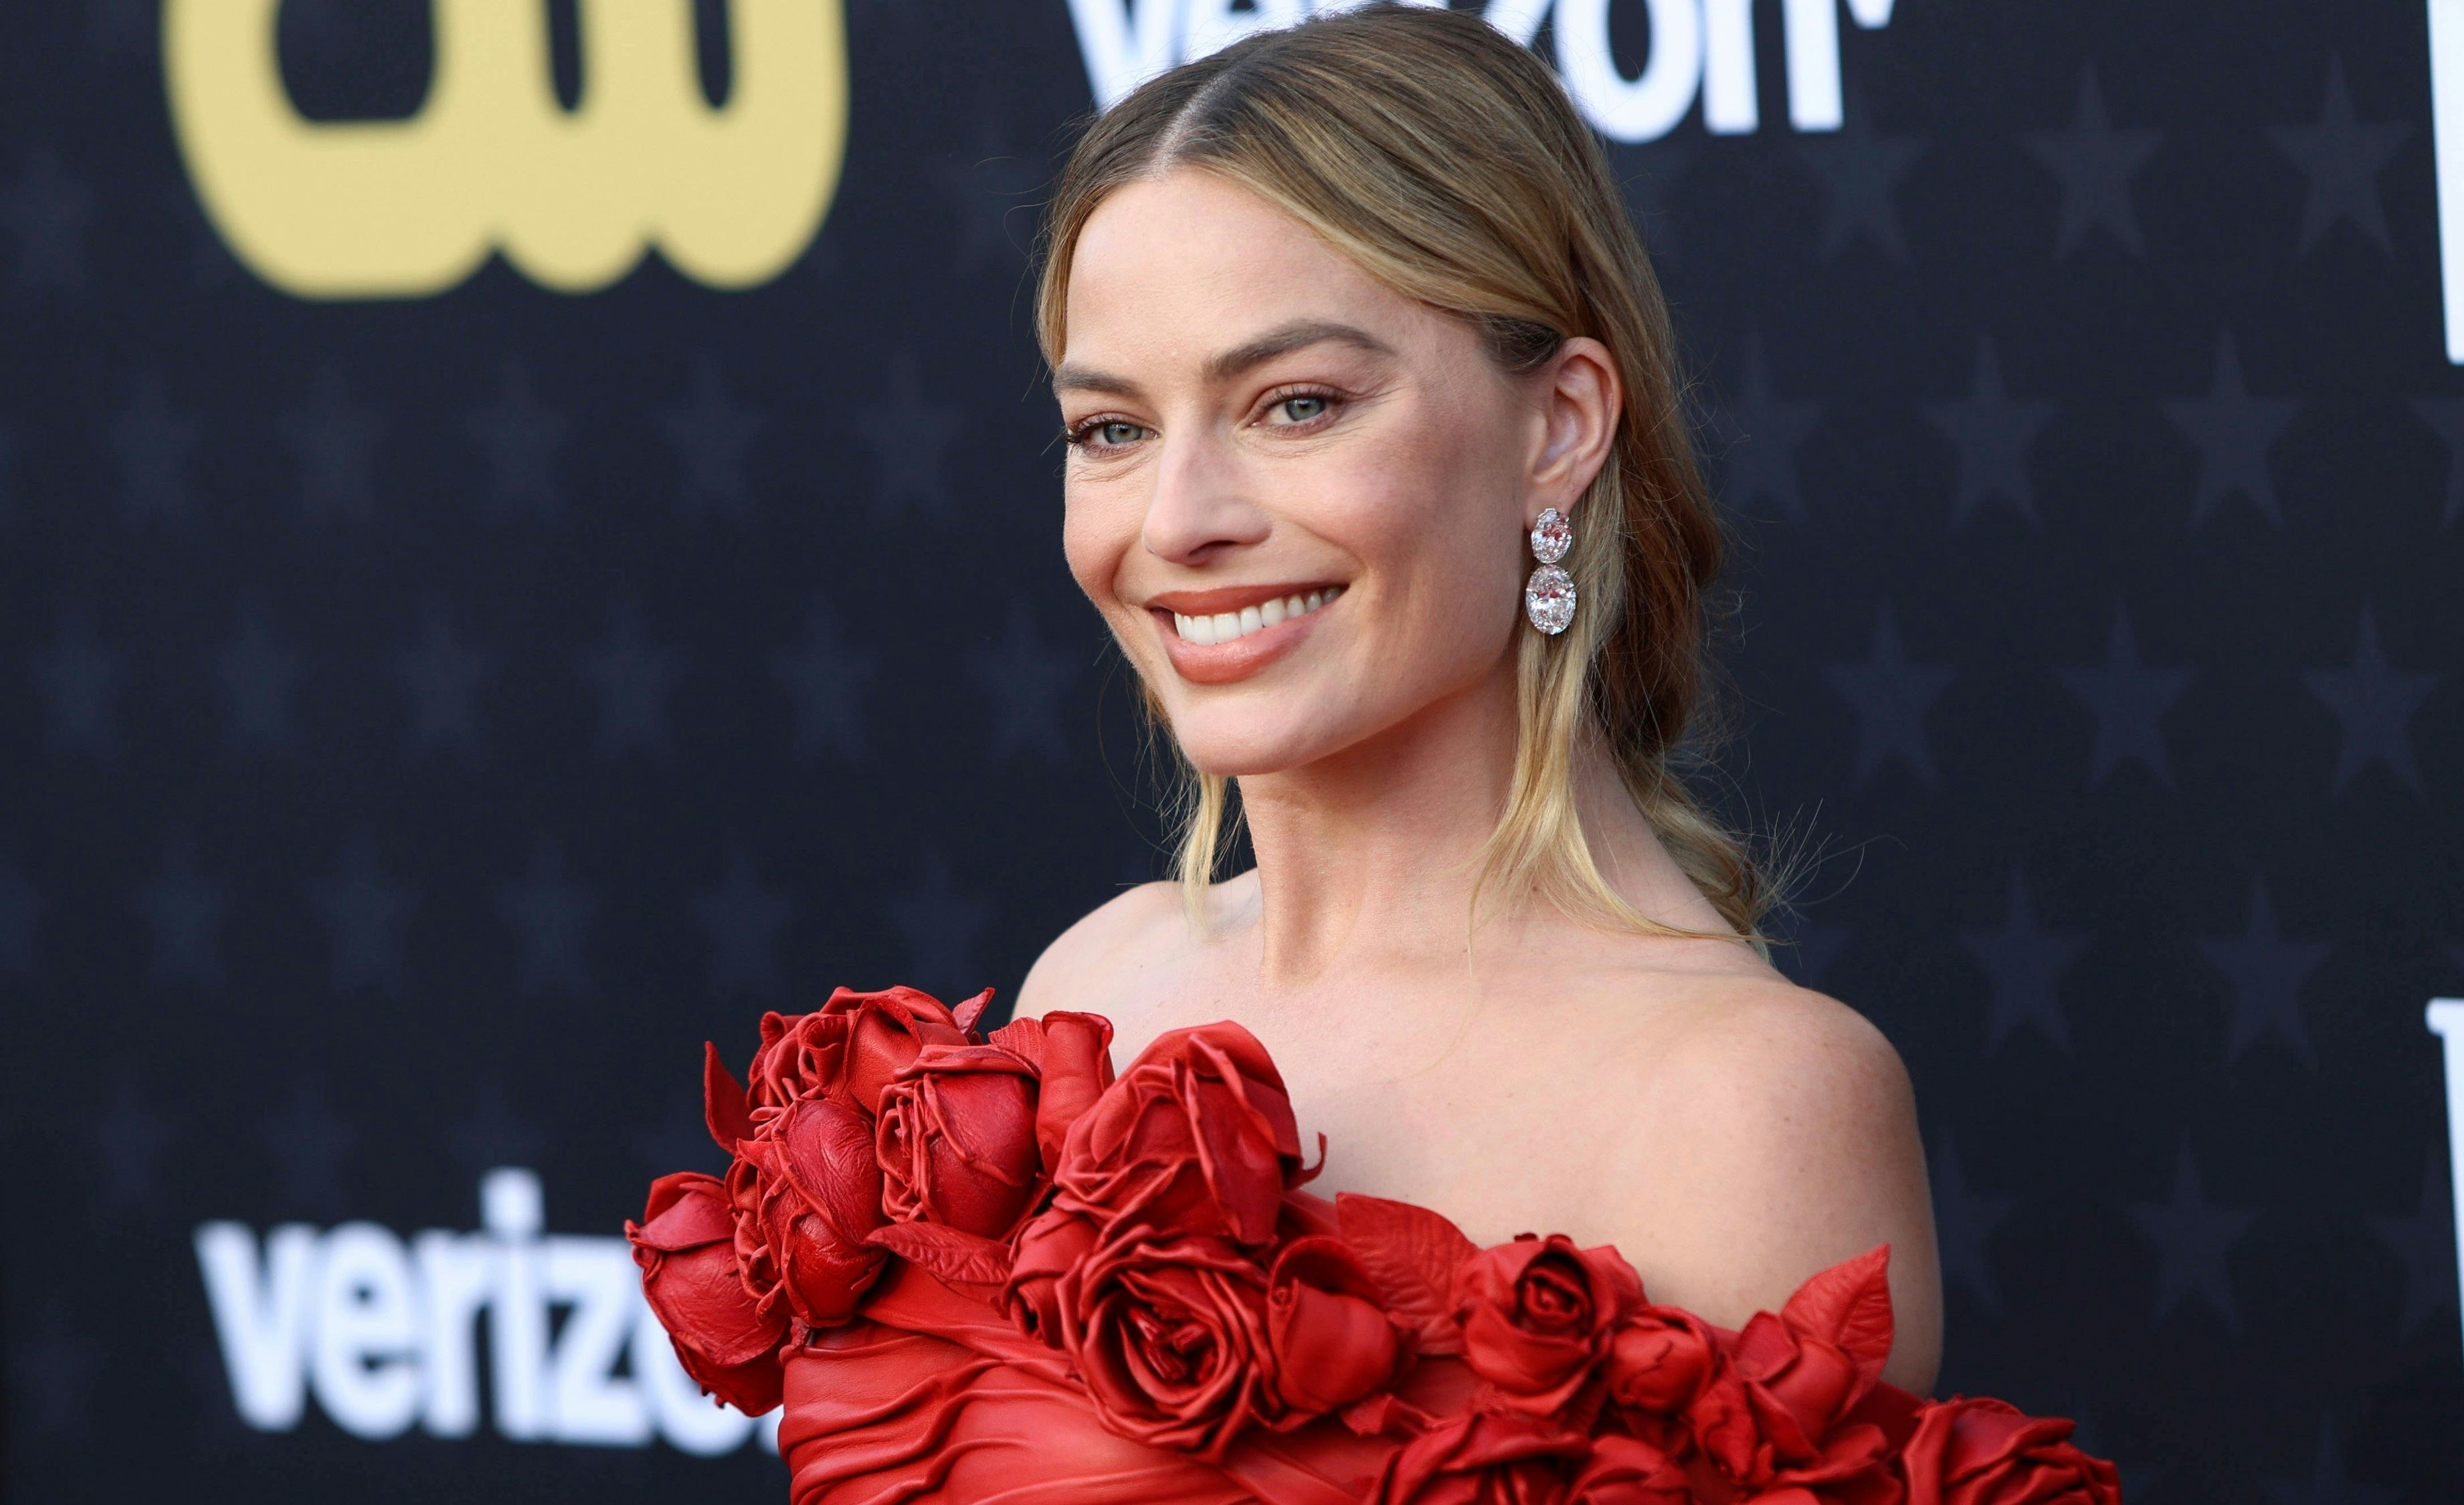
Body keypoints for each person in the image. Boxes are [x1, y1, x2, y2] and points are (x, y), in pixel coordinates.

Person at [626, 9, 2117, 1502]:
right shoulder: (1098, 985)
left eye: (1296, 405)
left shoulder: (1742, 1102)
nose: (1178, 519)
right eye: (1110, 430)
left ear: (1559, 426)